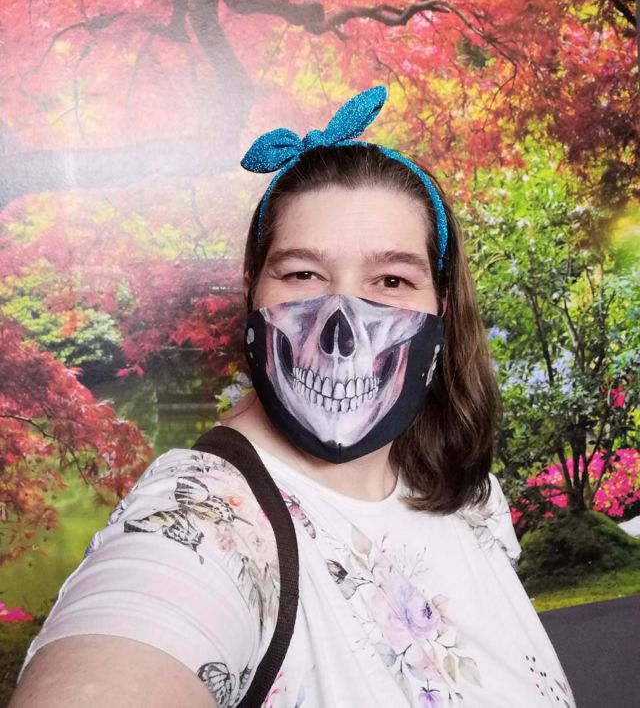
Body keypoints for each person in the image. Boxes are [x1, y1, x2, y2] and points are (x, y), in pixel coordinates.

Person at [11, 88, 575, 707]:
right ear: (253, 291)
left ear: (441, 304)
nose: (341, 327)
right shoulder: (208, 522)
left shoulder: (469, 498)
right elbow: (125, 645)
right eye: (303, 274)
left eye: (391, 280)